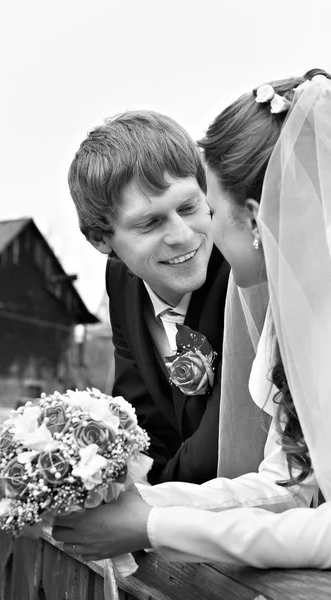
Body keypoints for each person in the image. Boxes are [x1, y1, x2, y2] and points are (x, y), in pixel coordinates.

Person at [54, 69, 331, 590]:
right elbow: (286, 484)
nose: (196, 230)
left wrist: (153, 524)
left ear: (253, 218)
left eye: (205, 206)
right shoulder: (292, 303)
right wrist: (134, 506)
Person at [68, 111, 269, 485]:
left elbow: (225, 441)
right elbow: (140, 412)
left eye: (189, 207)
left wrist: (145, 508)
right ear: (101, 239)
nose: (182, 236)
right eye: (149, 223)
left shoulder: (245, 273)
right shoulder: (121, 280)